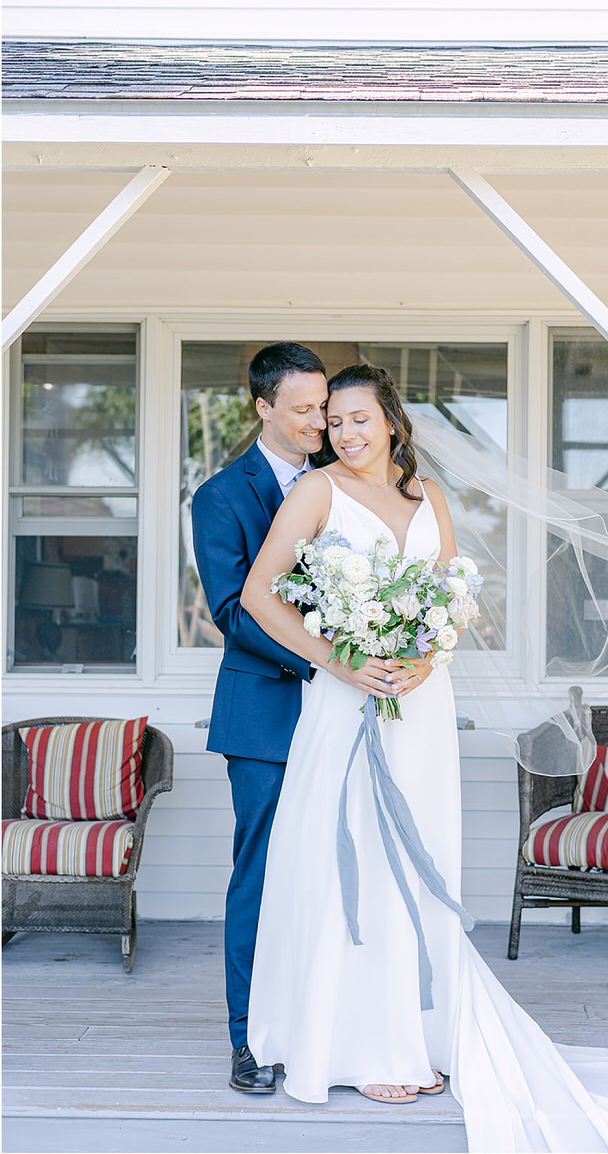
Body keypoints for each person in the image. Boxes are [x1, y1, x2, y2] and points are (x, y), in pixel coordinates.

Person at [239, 364, 608, 1151]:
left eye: (358, 418)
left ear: (390, 420)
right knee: (347, 860)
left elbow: (451, 603)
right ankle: (358, 1044)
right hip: (344, 702)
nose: (344, 433)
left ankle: (416, 1032)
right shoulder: (315, 493)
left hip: (417, 708)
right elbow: (258, 593)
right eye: (334, 421)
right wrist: (341, 661)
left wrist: (423, 660)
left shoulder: (430, 500)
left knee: (417, 863)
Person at [191, 341, 331, 1093]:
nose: (319, 422)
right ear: (263, 408)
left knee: (339, 872)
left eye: (323, 407)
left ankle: (329, 1022)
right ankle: (249, 1039)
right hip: (265, 713)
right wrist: (323, 661)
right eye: (304, 409)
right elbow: (228, 608)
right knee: (263, 875)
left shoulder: (344, 483)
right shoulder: (220, 495)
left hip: (347, 713)